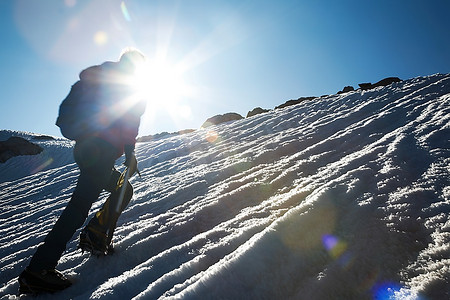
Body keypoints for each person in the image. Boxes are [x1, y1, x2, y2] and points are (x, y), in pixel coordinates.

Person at [18, 48, 147, 294]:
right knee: (78, 208)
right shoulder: (132, 85)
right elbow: (130, 123)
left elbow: (66, 117)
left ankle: (95, 234)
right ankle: (38, 270)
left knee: (123, 189)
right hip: (101, 150)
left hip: (86, 148)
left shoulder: (98, 76)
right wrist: (130, 154)